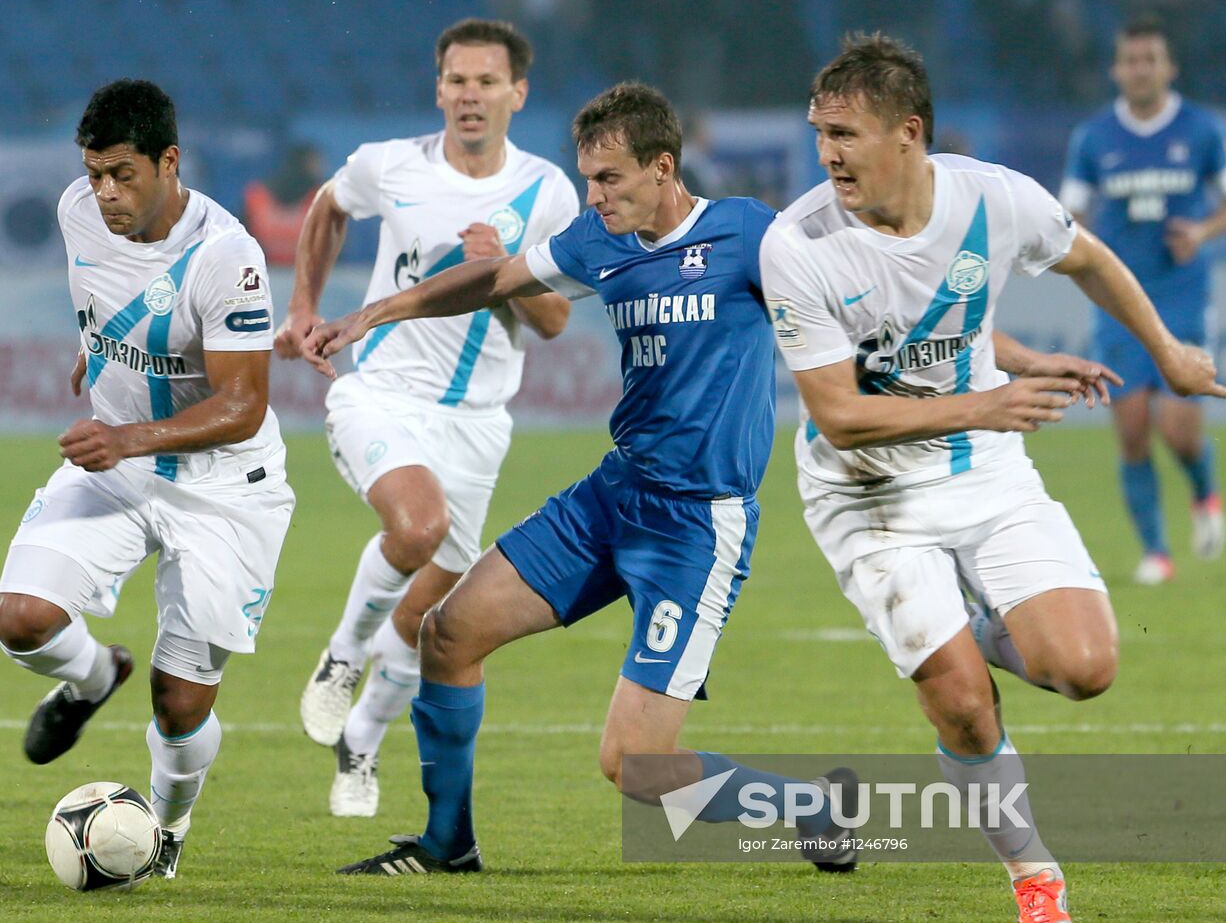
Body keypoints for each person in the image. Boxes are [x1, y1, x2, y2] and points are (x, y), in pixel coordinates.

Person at [302, 81, 858, 877]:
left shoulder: (748, 235)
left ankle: (807, 806)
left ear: (663, 167)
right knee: (449, 636)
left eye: (609, 180)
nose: (592, 197)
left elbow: (845, 300)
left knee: (634, 766)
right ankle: (446, 844)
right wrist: (378, 312)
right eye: (587, 179)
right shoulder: (598, 241)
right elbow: (494, 281)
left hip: (697, 529)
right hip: (612, 497)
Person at [760, 33, 1226, 923]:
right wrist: (989, 399)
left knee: (1086, 669)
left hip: (984, 471)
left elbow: (1087, 256)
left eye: (846, 134)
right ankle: (1033, 873)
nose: (828, 154)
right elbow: (842, 414)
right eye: (820, 132)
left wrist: (1167, 354)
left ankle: (971, 628)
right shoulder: (802, 243)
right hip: (869, 497)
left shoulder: (995, 198)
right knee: (965, 706)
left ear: (909, 133)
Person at [273, 18, 579, 818]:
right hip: (383, 395)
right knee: (415, 528)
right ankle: (341, 658)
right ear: (437, 87)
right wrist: (302, 306)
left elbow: (554, 322)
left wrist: (505, 267)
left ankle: (361, 746)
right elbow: (328, 207)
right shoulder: (391, 167)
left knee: (427, 621)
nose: (469, 95)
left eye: (486, 81)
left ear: (518, 93)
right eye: (456, 80)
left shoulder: (548, 192)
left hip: (479, 425)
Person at [0, 79, 294, 880]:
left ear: (169, 161)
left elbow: (244, 403)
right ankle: (92, 678)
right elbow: (105, 299)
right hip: (119, 470)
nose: (105, 193)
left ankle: (165, 828)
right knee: (22, 620)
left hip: (223, 486)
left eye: (123, 174)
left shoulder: (226, 256)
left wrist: (124, 432)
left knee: (182, 702)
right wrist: (95, 349)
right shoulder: (76, 212)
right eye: (93, 172)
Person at [1060, 15, 1226, 585]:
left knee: (1179, 428)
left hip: (1181, 295)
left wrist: (1203, 232)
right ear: (1117, 69)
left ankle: (1204, 491)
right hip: (1118, 300)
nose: (1140, 69)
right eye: (1130, 60)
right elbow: (1070, 214)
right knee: (1134, 426)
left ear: (1168, 67)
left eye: (1150, 59)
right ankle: (1156, 552)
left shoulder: (1202, 130)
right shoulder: (1093, 138)